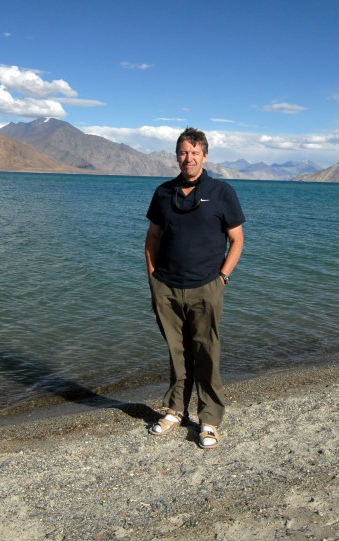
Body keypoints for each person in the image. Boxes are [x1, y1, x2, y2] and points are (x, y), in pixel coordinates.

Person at [145, 127, 245, 449]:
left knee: (206, 353)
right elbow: (153, 237)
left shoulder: (222, 192)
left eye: (194, 153)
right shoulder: (163, 192)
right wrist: (153, 277)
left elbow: (237, 240)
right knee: (177, 352)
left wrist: (223, 277)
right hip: (167, 288)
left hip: (206, 287)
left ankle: (209, 419)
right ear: (177, 156)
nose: (188, 158)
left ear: (205, 156)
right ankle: (175, 410)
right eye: (183, 152)